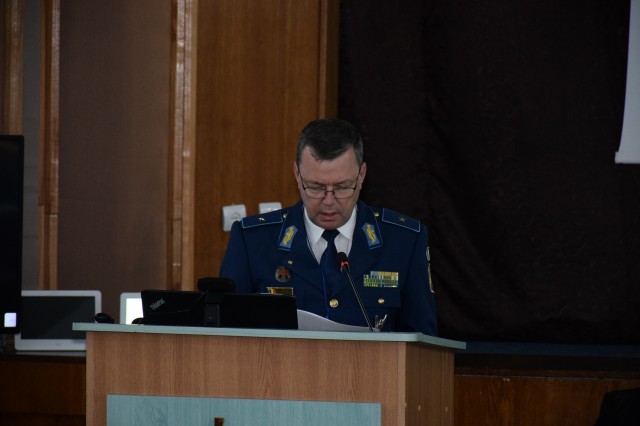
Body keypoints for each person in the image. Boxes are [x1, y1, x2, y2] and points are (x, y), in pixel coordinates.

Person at [219, 118, 437, 335]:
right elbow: (225, 334)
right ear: (297, 174)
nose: (329, 201)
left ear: (361, 175)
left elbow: (422, 340)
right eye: (315, 187)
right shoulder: (253, 240)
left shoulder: (403, 240)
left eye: (342, 187)